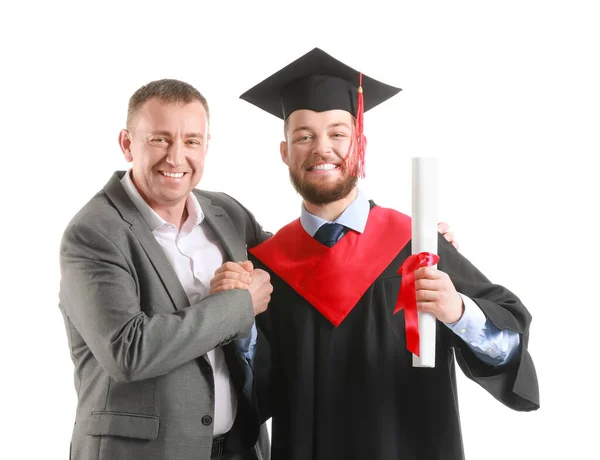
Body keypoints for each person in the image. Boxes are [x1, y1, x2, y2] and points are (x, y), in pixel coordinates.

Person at [232, 48, 540, 460]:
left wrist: (460, 312)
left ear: (359, 145)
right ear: (285, 152)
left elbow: (509, 346)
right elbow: (255, 394)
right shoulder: (267, 267)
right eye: (304, 136)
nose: (322, 148)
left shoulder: (417, 245)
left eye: (338, 133)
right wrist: (239, 322)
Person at [58, 79, 274, 460]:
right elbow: (129, 350)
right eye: (159, 139)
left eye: (191, 141)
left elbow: (293, 267)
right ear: (127, 143)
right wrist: (238, 304)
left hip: (240, 448)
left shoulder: (228, 214)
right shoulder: (94, 232)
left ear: (206, 146)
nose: (176, 158)